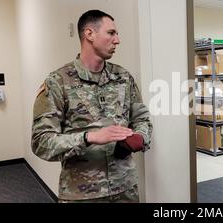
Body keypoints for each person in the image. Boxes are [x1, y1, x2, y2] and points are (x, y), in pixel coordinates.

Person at [31, 10, 152, 203]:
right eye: (111, 33)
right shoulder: (58, 82)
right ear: (89, 34)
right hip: (82, 194)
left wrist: (140, 137)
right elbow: (41, 142)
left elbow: (142, 119)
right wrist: (89, 137)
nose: (117, 40)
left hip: (125, 189)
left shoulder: (123, 78)